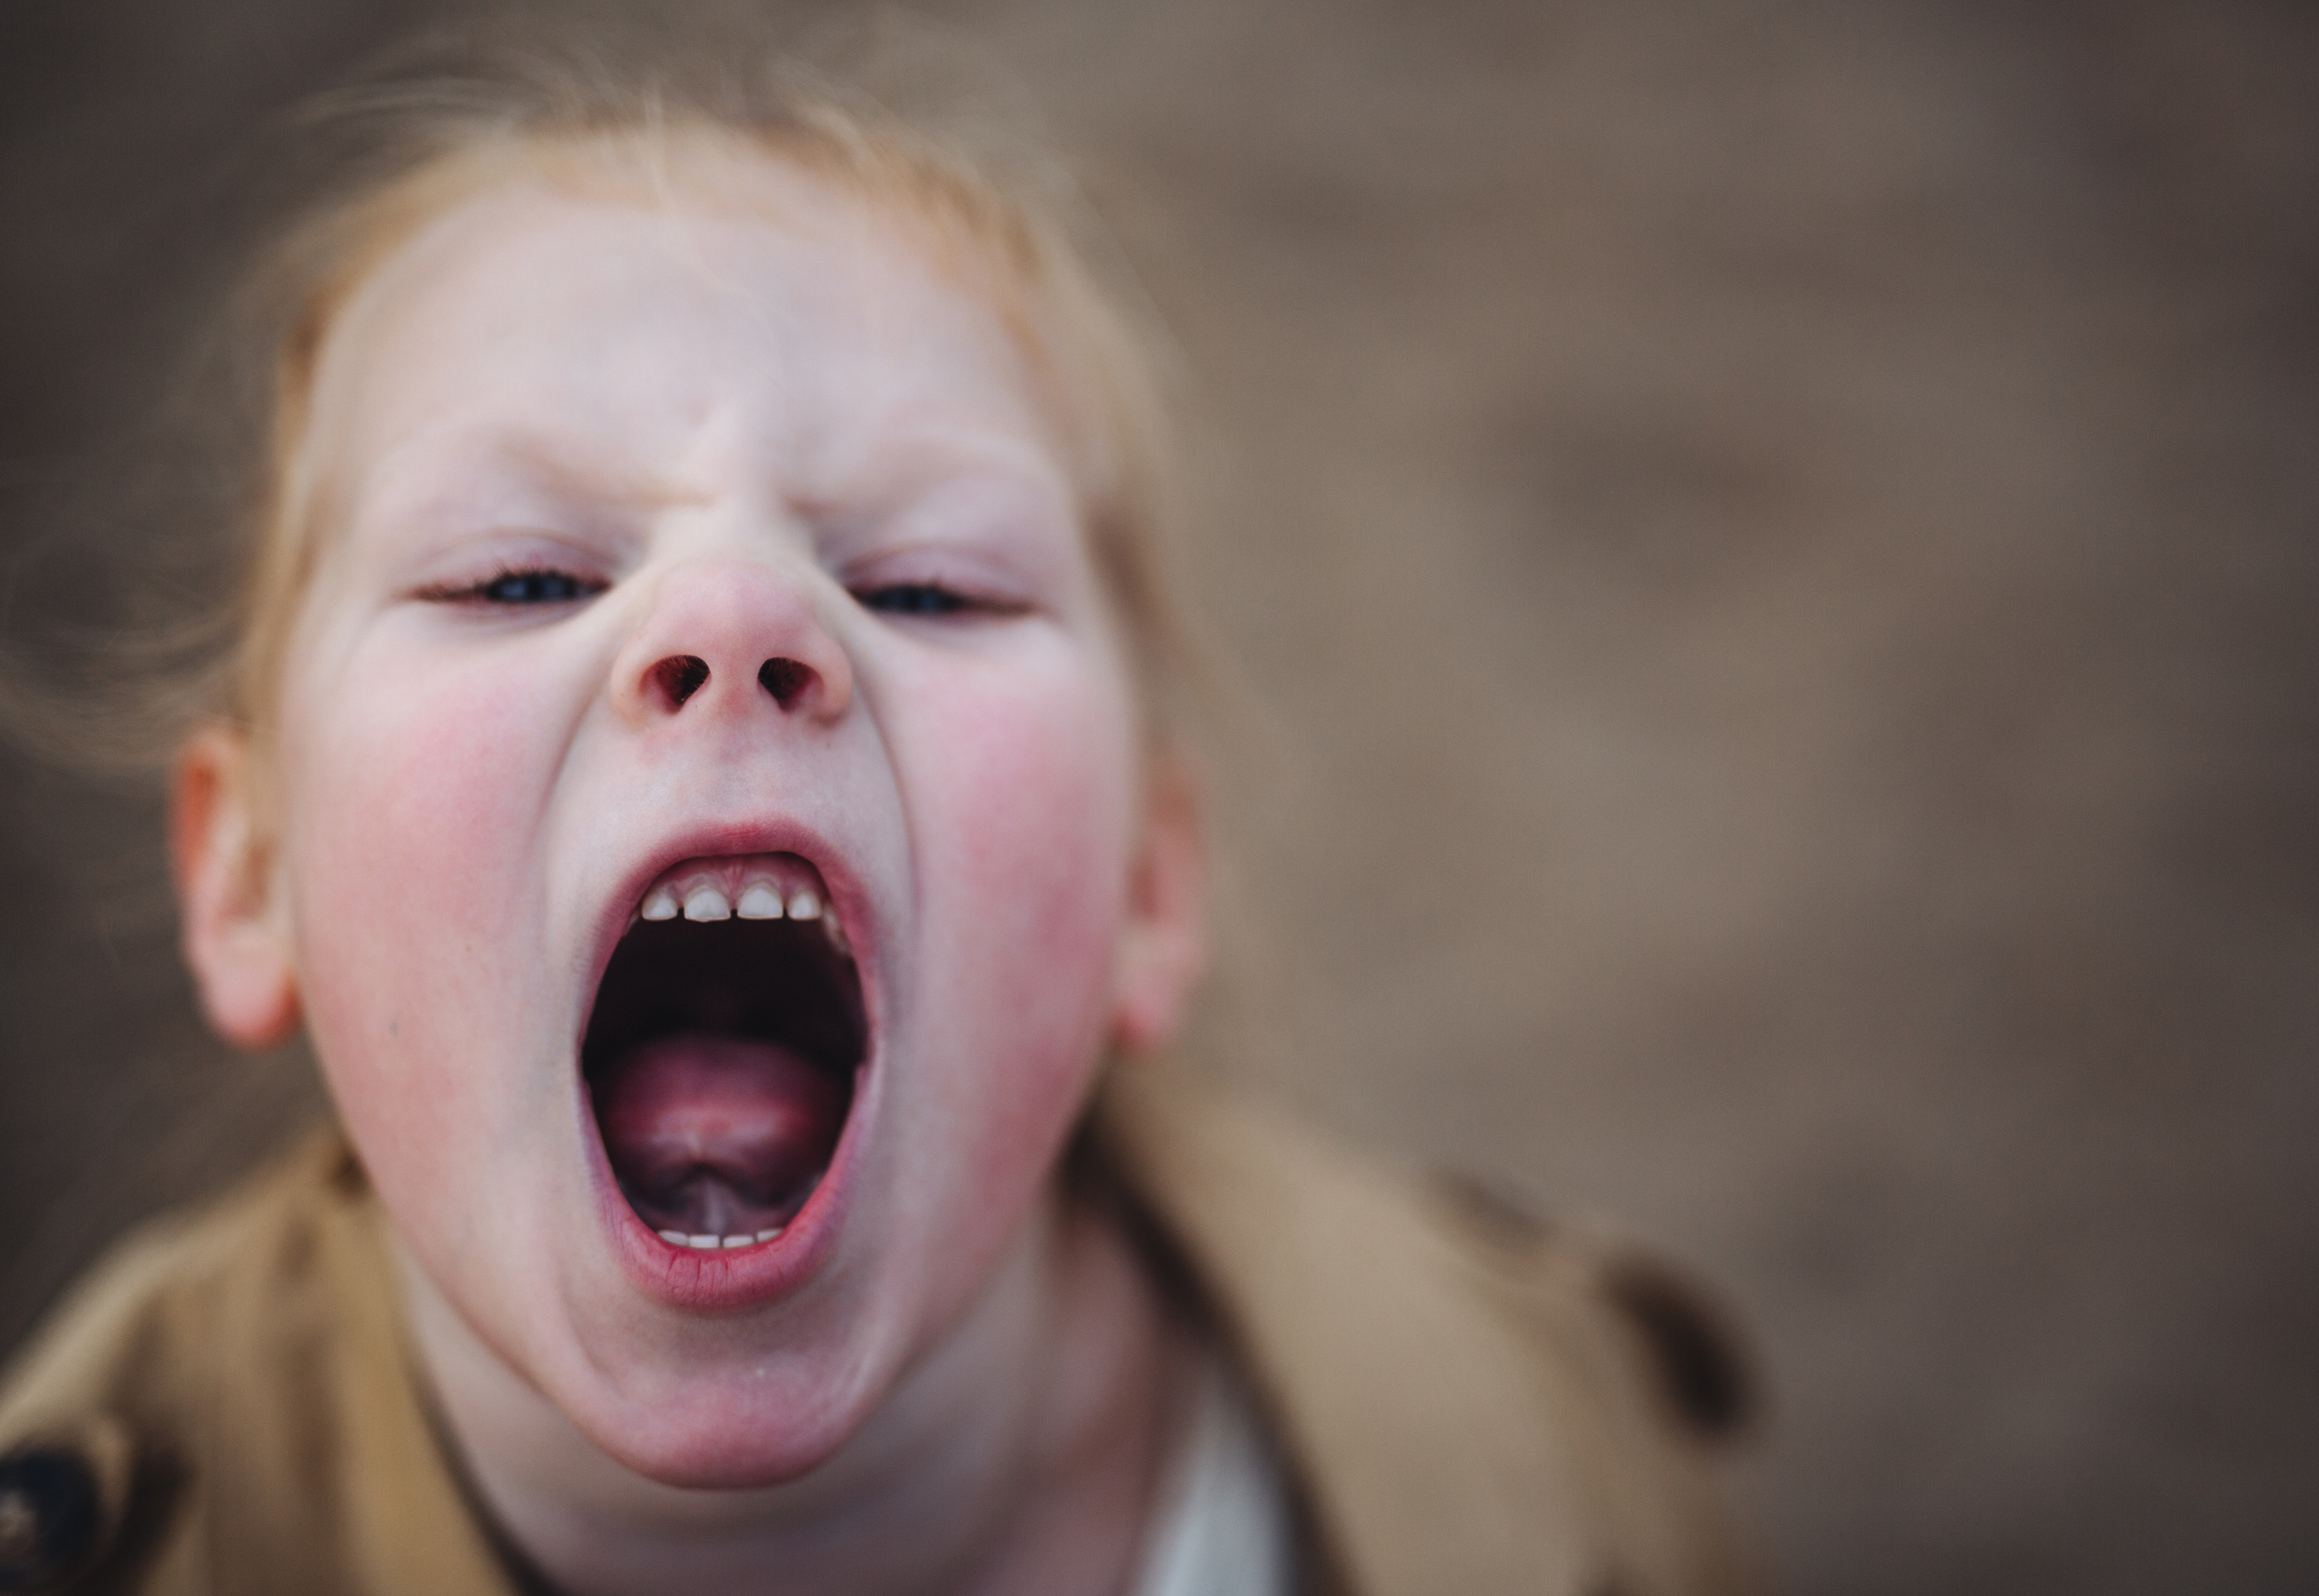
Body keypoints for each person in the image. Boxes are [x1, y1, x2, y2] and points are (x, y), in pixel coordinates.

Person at [0, 17, 1754, 1595]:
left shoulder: (1529, 1462)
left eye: (929, 588)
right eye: (519, 576)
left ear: (1148, 885)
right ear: (251, 873)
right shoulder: (112, 1527)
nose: (740, 617)